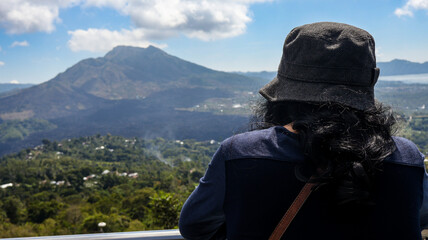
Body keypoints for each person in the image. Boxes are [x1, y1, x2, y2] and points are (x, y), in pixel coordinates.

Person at [179, 22, 428, 240]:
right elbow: (420, 217)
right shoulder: (407, 157)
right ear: (370, 80)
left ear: (286, 83)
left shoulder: (238, 153)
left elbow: (195, 226)